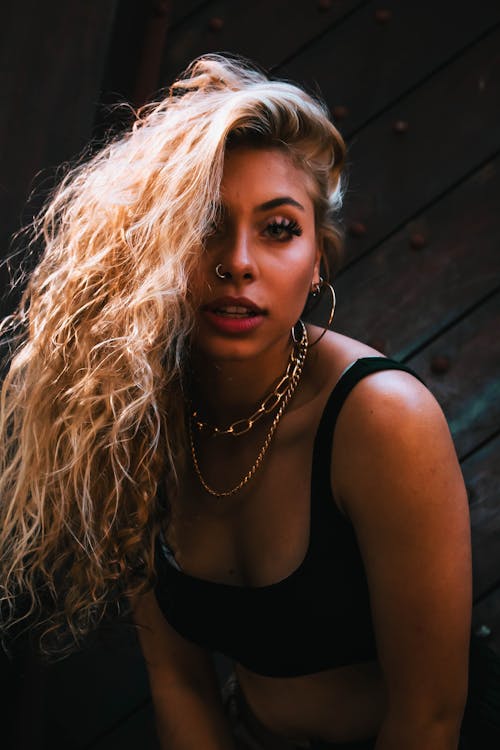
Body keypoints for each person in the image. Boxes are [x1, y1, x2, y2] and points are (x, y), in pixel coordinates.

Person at [0, 54, 496, 750]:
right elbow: (179, 683)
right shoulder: (136, 413)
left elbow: (428, 719)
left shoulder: (382, 419)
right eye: (205, 224)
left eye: (278, 228)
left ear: (317, 256)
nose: (237, 260)